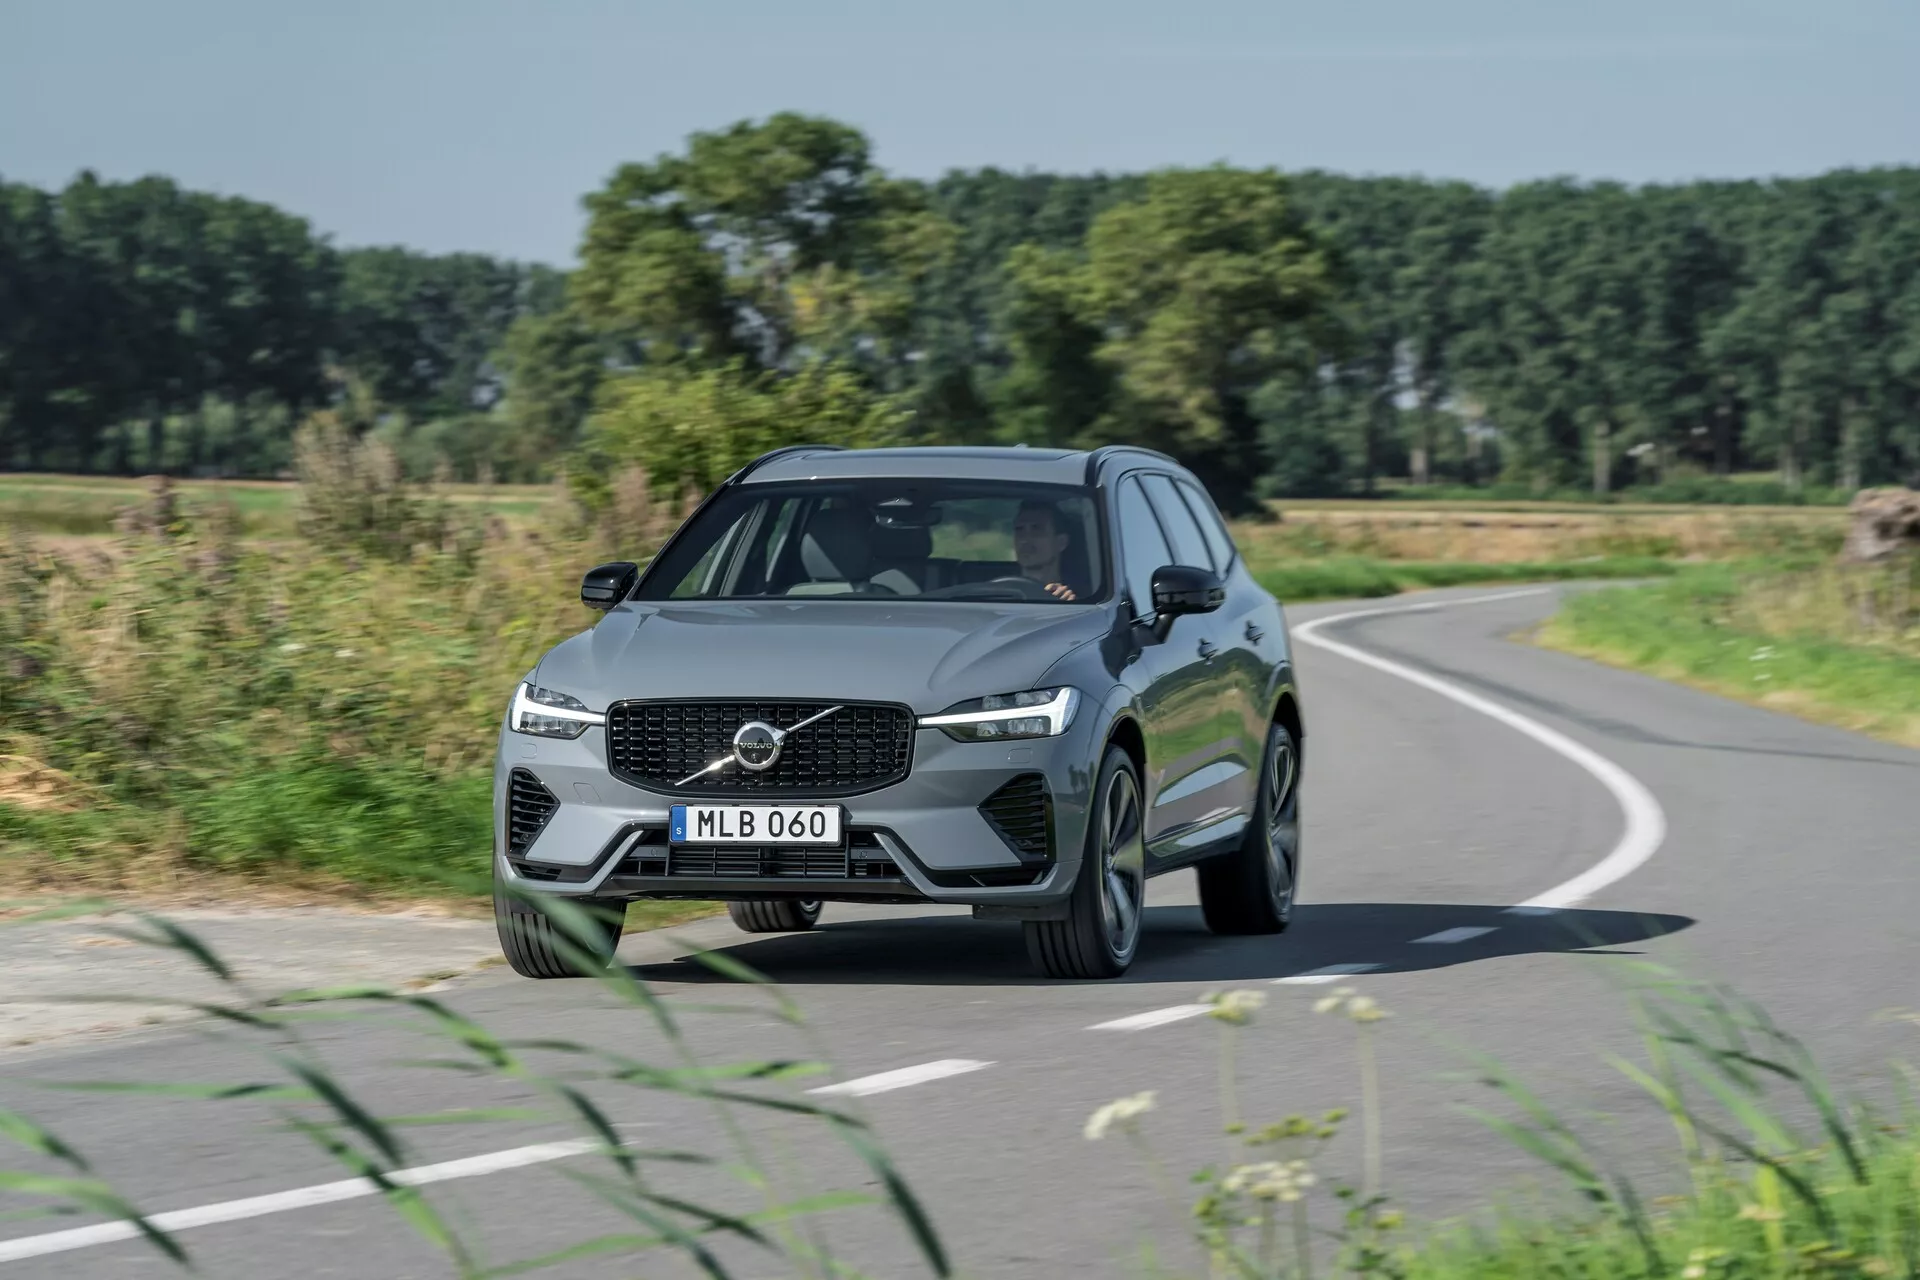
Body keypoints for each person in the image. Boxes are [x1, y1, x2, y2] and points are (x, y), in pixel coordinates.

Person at [1012, 500, 1081, 600]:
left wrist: (1069, 604)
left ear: (1061, 542)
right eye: (1019, 529)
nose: (1024, 539)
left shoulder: (1084, 601)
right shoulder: (999, 595)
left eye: (1037, 529)